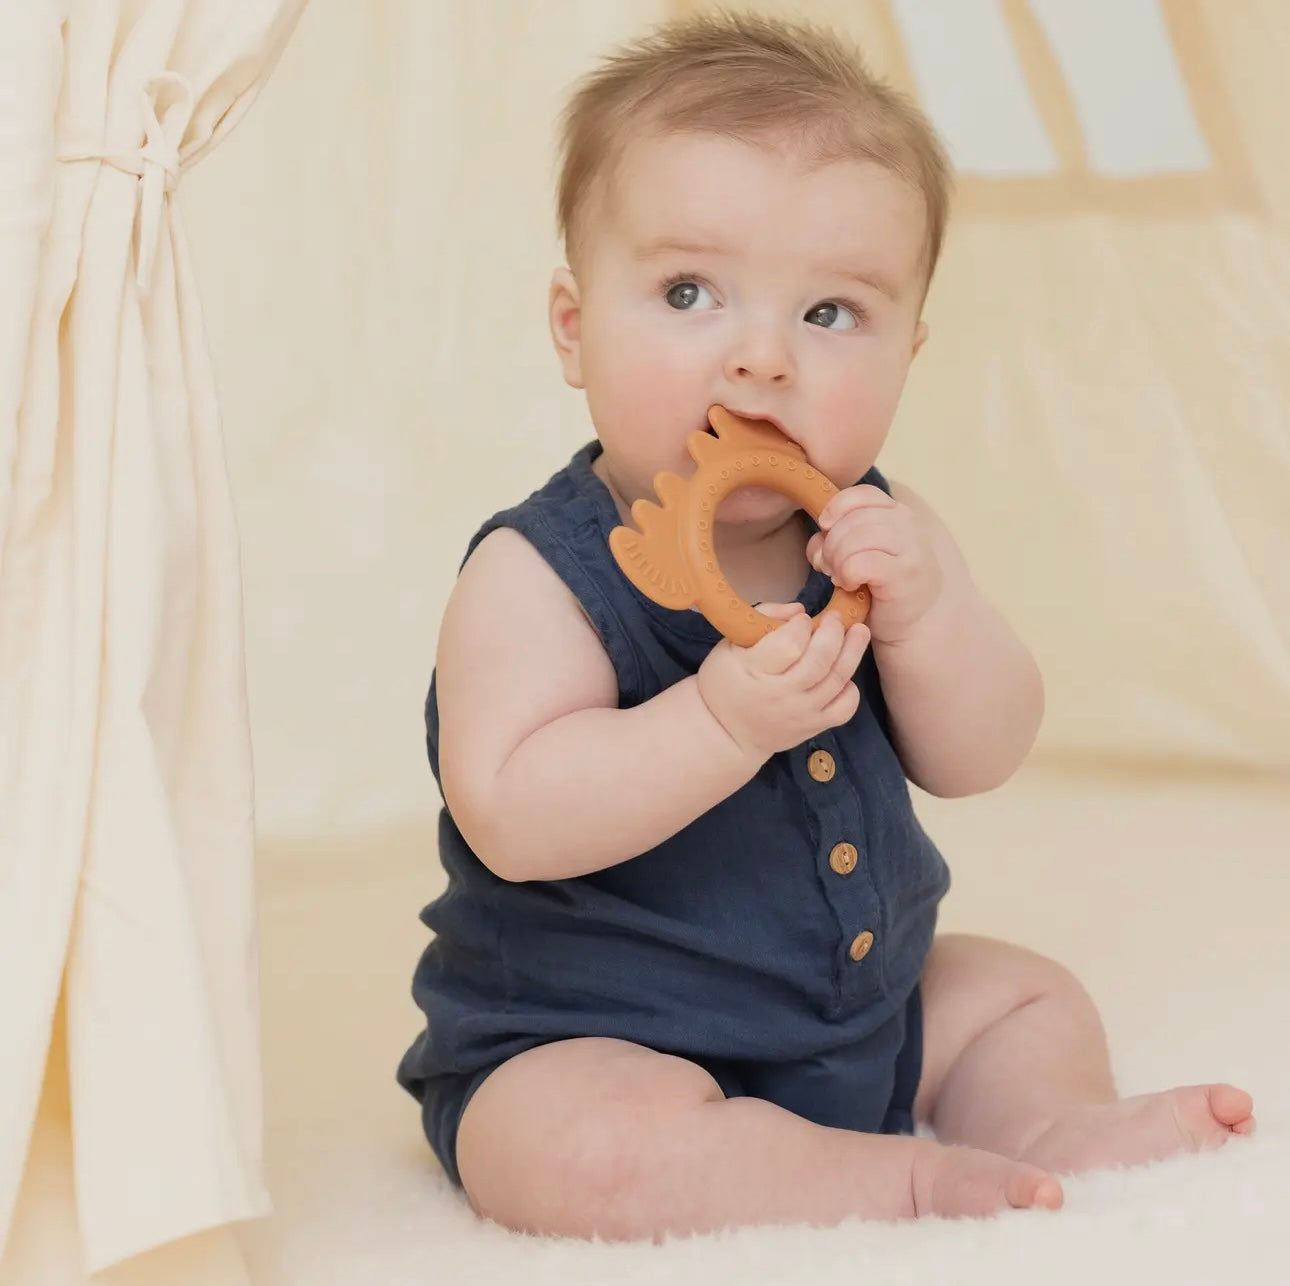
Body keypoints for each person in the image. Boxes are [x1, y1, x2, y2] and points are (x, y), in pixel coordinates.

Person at [396, 11, 1254, 1239]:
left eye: (831, 313)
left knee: (1027, 995)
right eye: (689, 292)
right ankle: (882, 1181)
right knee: (578, 1148)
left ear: (910, 349)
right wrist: (717, 722)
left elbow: (982, 752)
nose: (762, 360)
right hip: (595, 1034)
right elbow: (514, 813)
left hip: (861, 1014)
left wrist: (932, 617)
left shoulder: (881, 536)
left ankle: (1050, 1119)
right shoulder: (537, 574)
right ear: (575, 329)